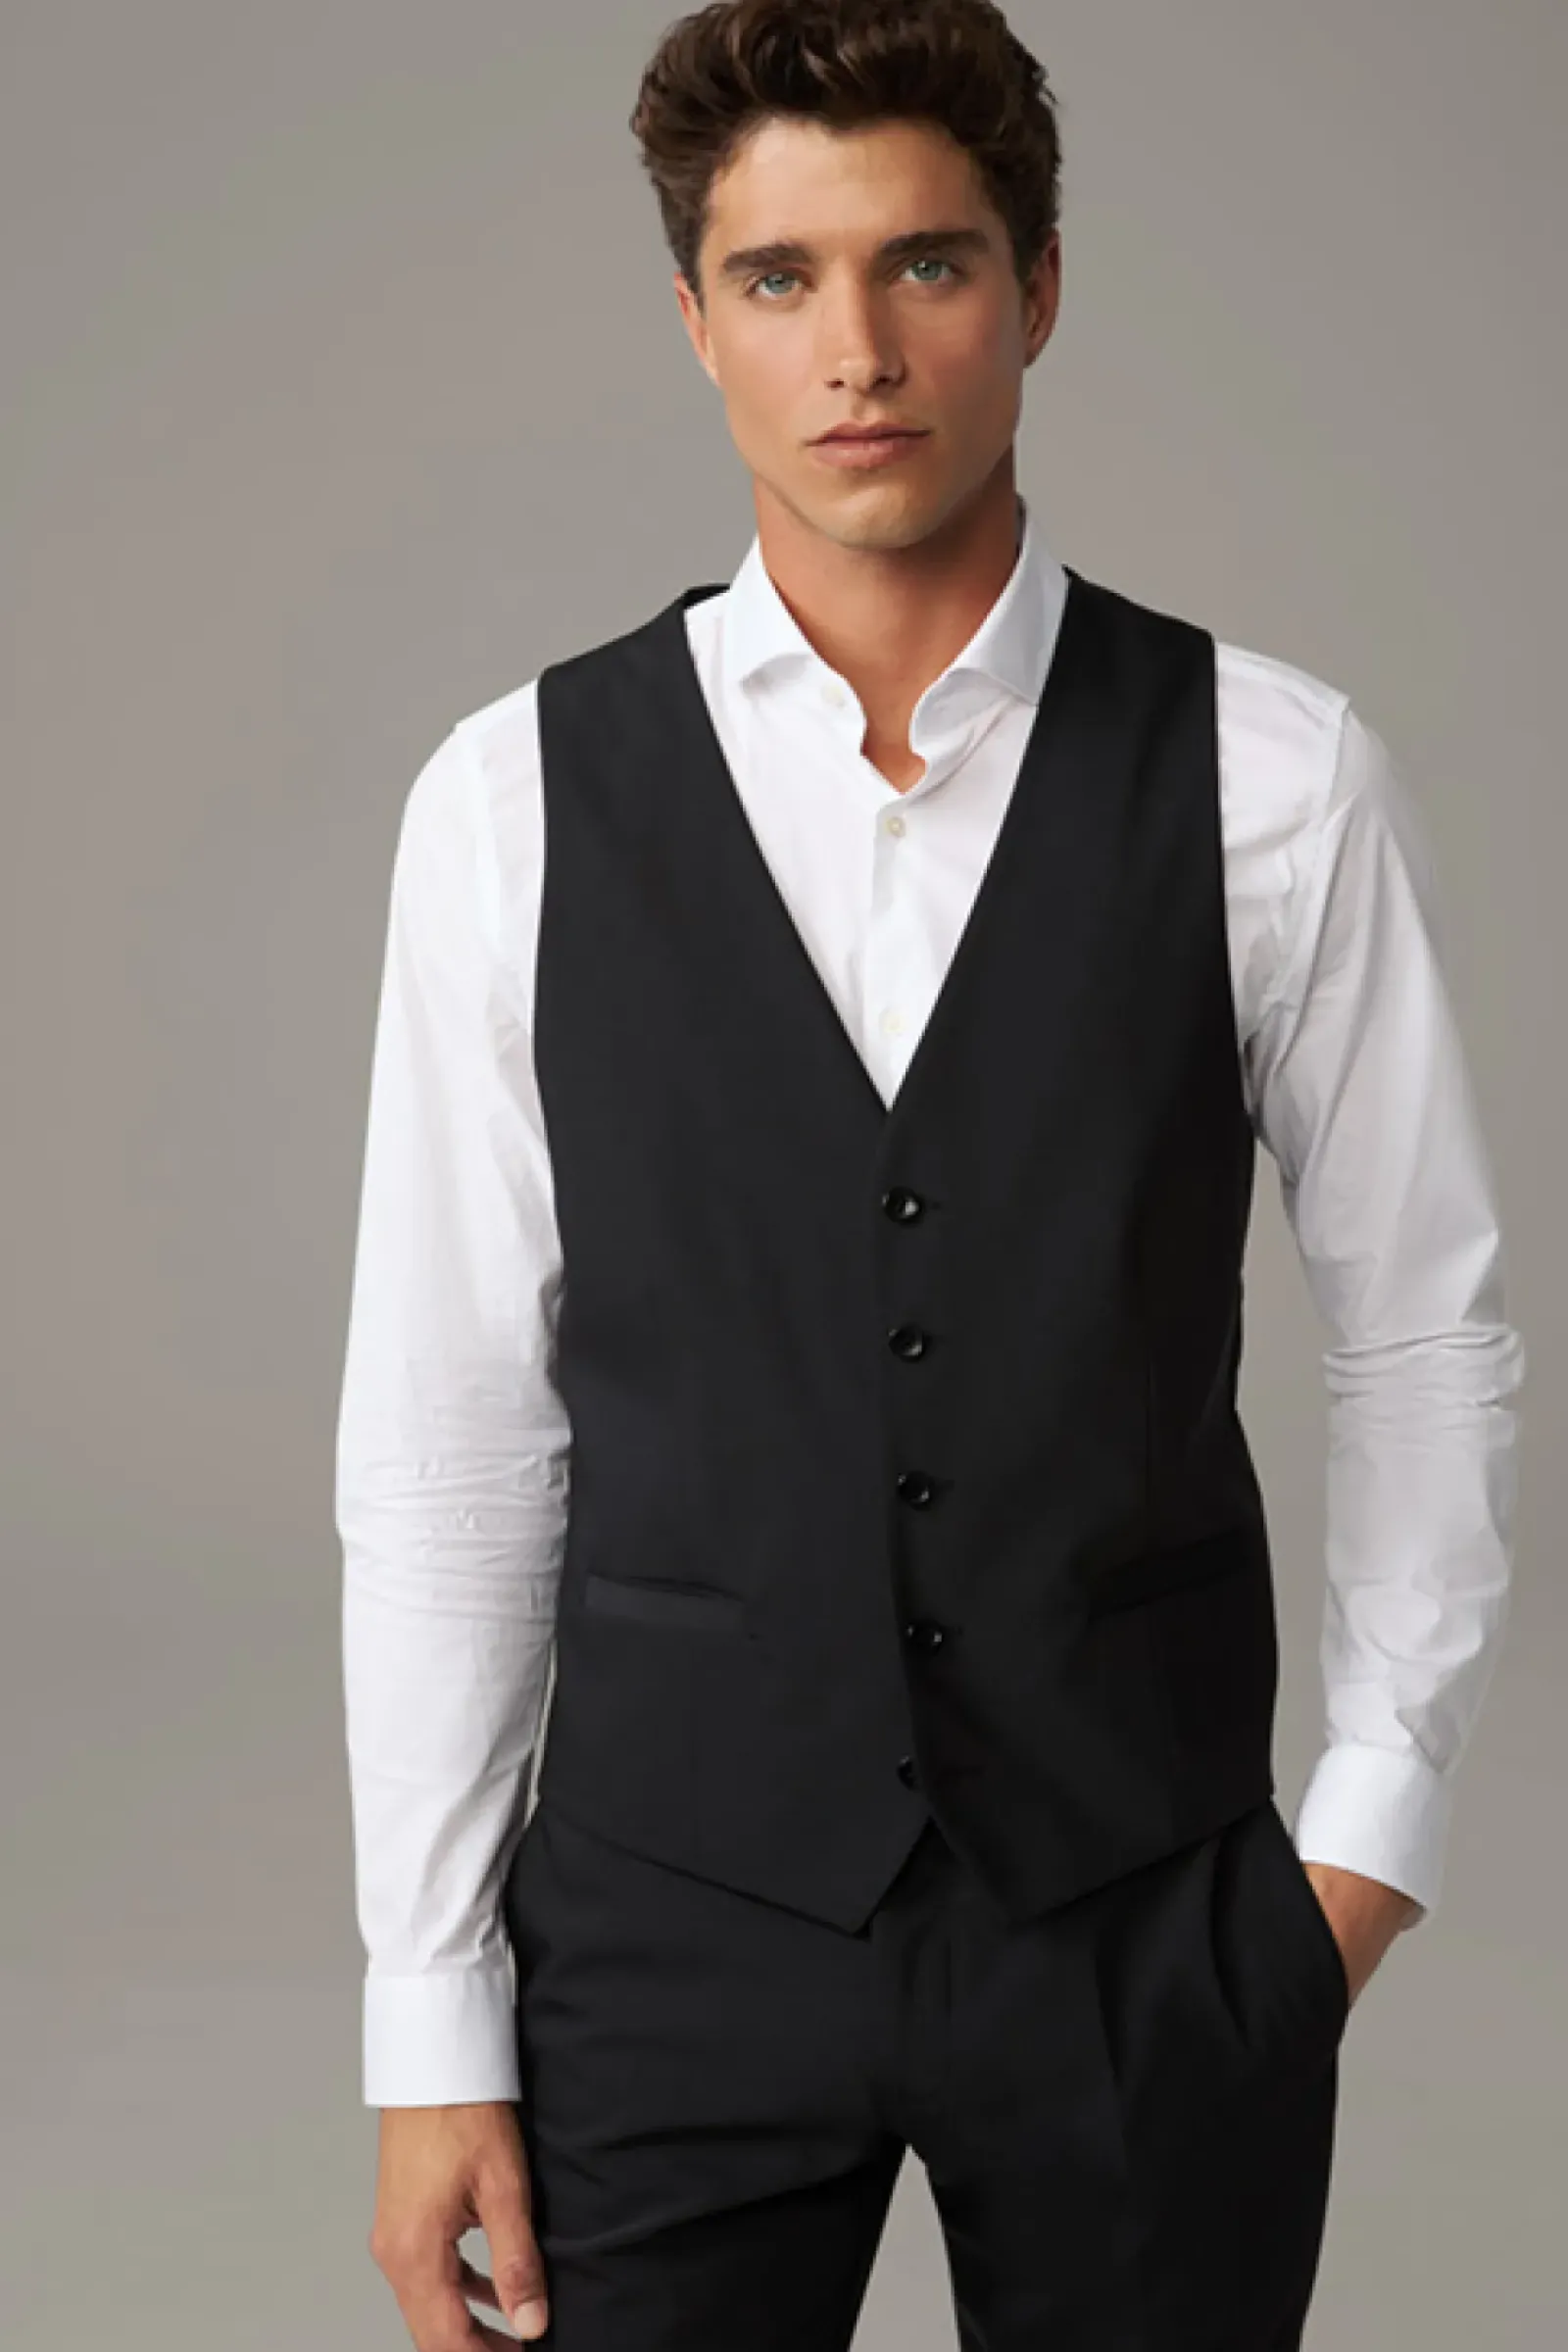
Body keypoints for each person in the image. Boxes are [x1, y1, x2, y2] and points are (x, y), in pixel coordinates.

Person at [334, 3, 1526, 2344]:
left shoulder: (1272, 780)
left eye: (926, 265)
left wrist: (1362, 1845)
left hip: (1143, 1934)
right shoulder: (508, 806)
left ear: (1038, 289)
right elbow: (451, 1434)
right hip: (662, 1942)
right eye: (776, 277)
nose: (855, 350)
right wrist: (427, 2011)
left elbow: (1421, 1332)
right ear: (694, 320)